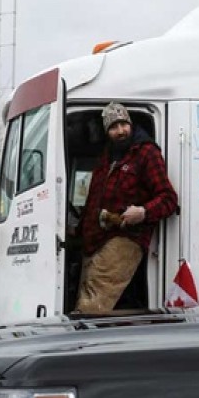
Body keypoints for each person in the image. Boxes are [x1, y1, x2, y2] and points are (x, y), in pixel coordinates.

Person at [75, 103, 178, 312]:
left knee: (92, 308)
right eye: (114, 127)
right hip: (94, 240)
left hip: (125, 239)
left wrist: (143, 212)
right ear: (107, 131)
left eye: (123, 124)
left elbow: (169, 199)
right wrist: (76, 231)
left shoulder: (146, 153)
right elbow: (93, 202)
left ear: (130, 124)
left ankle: (84, 344)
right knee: (84, 300)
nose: (120, 131)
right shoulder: (106, 157)